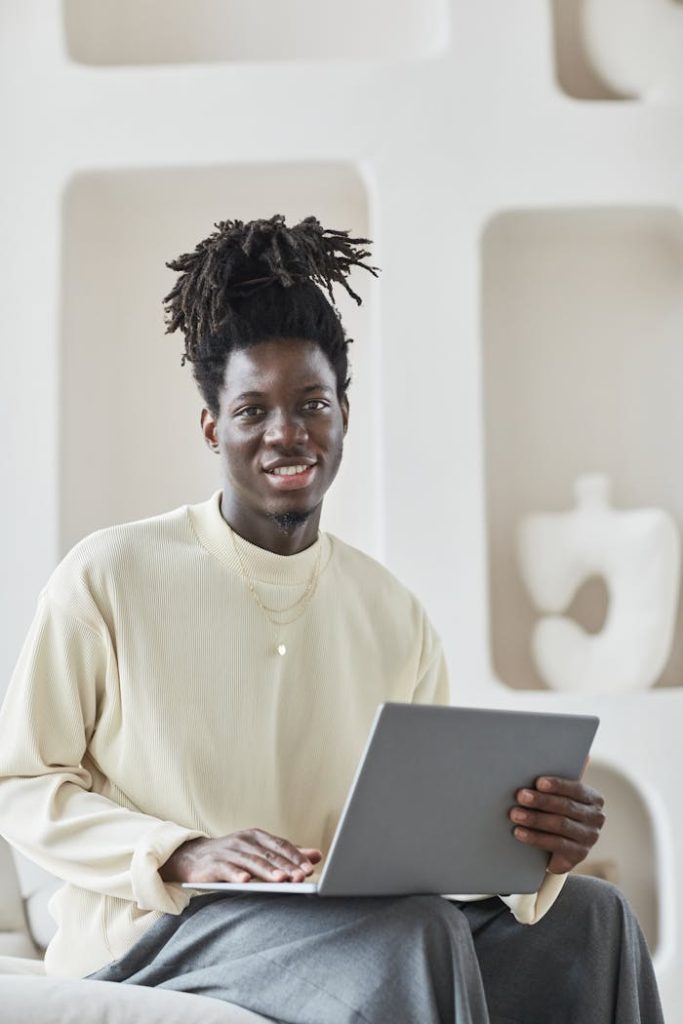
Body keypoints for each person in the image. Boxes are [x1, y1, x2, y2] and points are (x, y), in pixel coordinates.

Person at [0, 215, 663, 1023]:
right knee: (410, 935)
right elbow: (21, 783)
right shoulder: (109, 573)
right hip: (161, 930)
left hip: (342, 920)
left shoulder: (392, 613)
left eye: (311, 403)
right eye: (253, 410)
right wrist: (178, 849)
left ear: (343, 414)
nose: (286, 433)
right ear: (213, 426)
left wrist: (536, 846)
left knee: (592, 921)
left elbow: (426, 836)